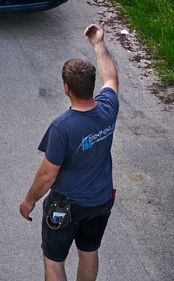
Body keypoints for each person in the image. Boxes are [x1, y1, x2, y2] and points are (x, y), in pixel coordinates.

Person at [19, 23, 119, 281]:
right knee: (89, 251)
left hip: (66, 205)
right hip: (100, 202)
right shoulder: (108, 108)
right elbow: (111, 79)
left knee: (54, 261)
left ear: (66, 88)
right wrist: (99, 44)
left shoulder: (62, 127)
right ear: (92, 84)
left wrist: (29, 201)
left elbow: (47, 175)